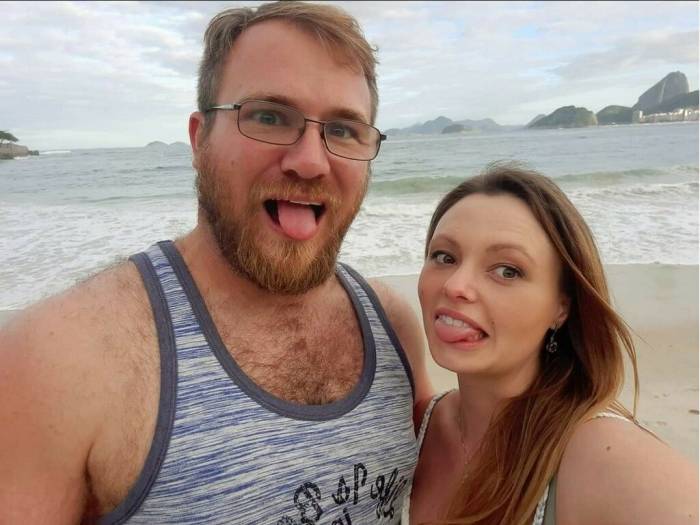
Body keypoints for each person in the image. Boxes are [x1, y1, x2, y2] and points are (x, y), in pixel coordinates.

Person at [0, 2, 433, 523]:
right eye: (269, 117)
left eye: (343, 130)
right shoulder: (60, 358)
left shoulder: (394, 326)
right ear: (198, 138)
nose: (311, 161)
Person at [405, 164, 697, 525]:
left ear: (561, 307)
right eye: (444, 257)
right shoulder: (418, 426)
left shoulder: (598, 454)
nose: (455, 285)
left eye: (507, 270)